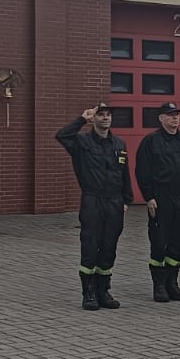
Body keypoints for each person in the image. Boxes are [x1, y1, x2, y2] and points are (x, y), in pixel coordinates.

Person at [55, 102, 132, 310]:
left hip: (114, 202)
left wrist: (126, 200)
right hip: (93, 200)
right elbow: (61, 135)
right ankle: (88, 293)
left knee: (109, 247)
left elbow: (124, 173)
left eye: (108, 115)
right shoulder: (81, 142)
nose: (106, 118)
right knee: (90, 245)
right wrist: (82, 119)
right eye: (101, 115)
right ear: (94, 119)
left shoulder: (119, 144)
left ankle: (103, 291)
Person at [134, 101, 180, 303]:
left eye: (177, 114)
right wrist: (149, 197)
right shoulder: (151, 141)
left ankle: (172, 282)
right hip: (161, 198)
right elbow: (142, 171)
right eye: (170, 115)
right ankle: (159, 285)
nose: (175, 118)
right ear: (161, 118)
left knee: (179, 241)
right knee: (159, 241)